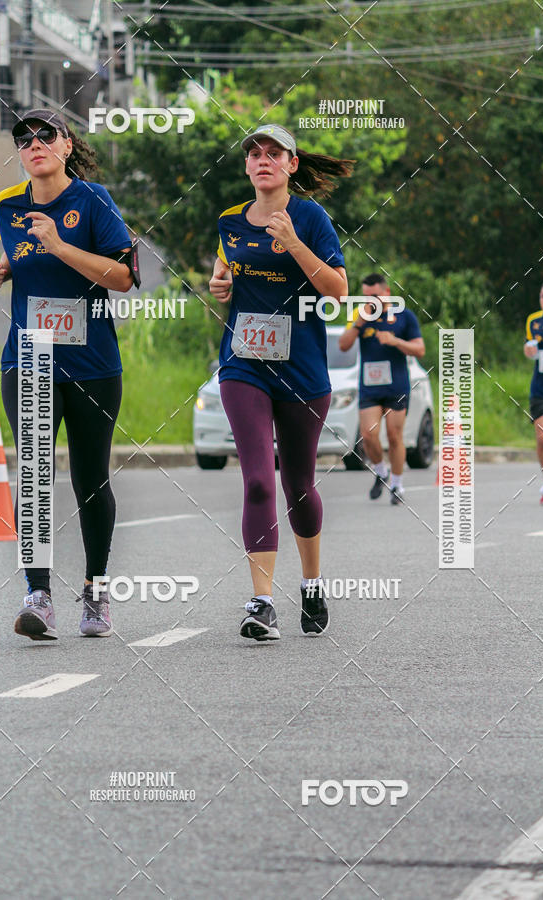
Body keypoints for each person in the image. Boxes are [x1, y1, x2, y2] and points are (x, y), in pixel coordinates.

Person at [0, 108, 136, 640]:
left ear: (67, 146)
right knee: (34, 476)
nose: (34, 143)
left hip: (92, 365)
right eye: (24, 138)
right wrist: (4, 267)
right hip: (29, 358)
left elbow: (124, 277)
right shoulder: (8, 205)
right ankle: (38, 595)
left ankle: (95, 594)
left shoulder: (93, 202)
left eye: (46, 135)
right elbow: (23, 257)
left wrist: (60, 247)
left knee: (89, 478)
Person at [208, 124, 353, 641]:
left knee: (298, 486)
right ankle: (262, 601)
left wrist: (293, 244)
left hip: (303, 371)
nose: (262, 159)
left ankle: (311, 582)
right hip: (244, 363)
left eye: (274, 153)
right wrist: (219, 281)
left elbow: (337, 291)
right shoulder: (229, 220)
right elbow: (225, 272)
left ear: (292, 164)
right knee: (256, 480)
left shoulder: (311, 219)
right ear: (246, 166)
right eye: (254, 153)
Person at [338, 274, 425, 505]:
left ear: (387, 293)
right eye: (366, 296)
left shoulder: (404, 316)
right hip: (370, 387)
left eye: (375, 296)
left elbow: (419, 350)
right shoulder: (360, 315)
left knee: (395, 436)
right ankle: (381, 472)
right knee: (368, 435)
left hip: (396, 385)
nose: (371, 301)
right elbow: (343, 345)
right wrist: (359, 323)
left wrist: (396, 341)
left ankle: (397, 485)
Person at [524, 280, 543, 503]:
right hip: (540, 388)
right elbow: (529, 347)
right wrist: (529, 351)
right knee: (542, 438)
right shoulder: (533, 321)